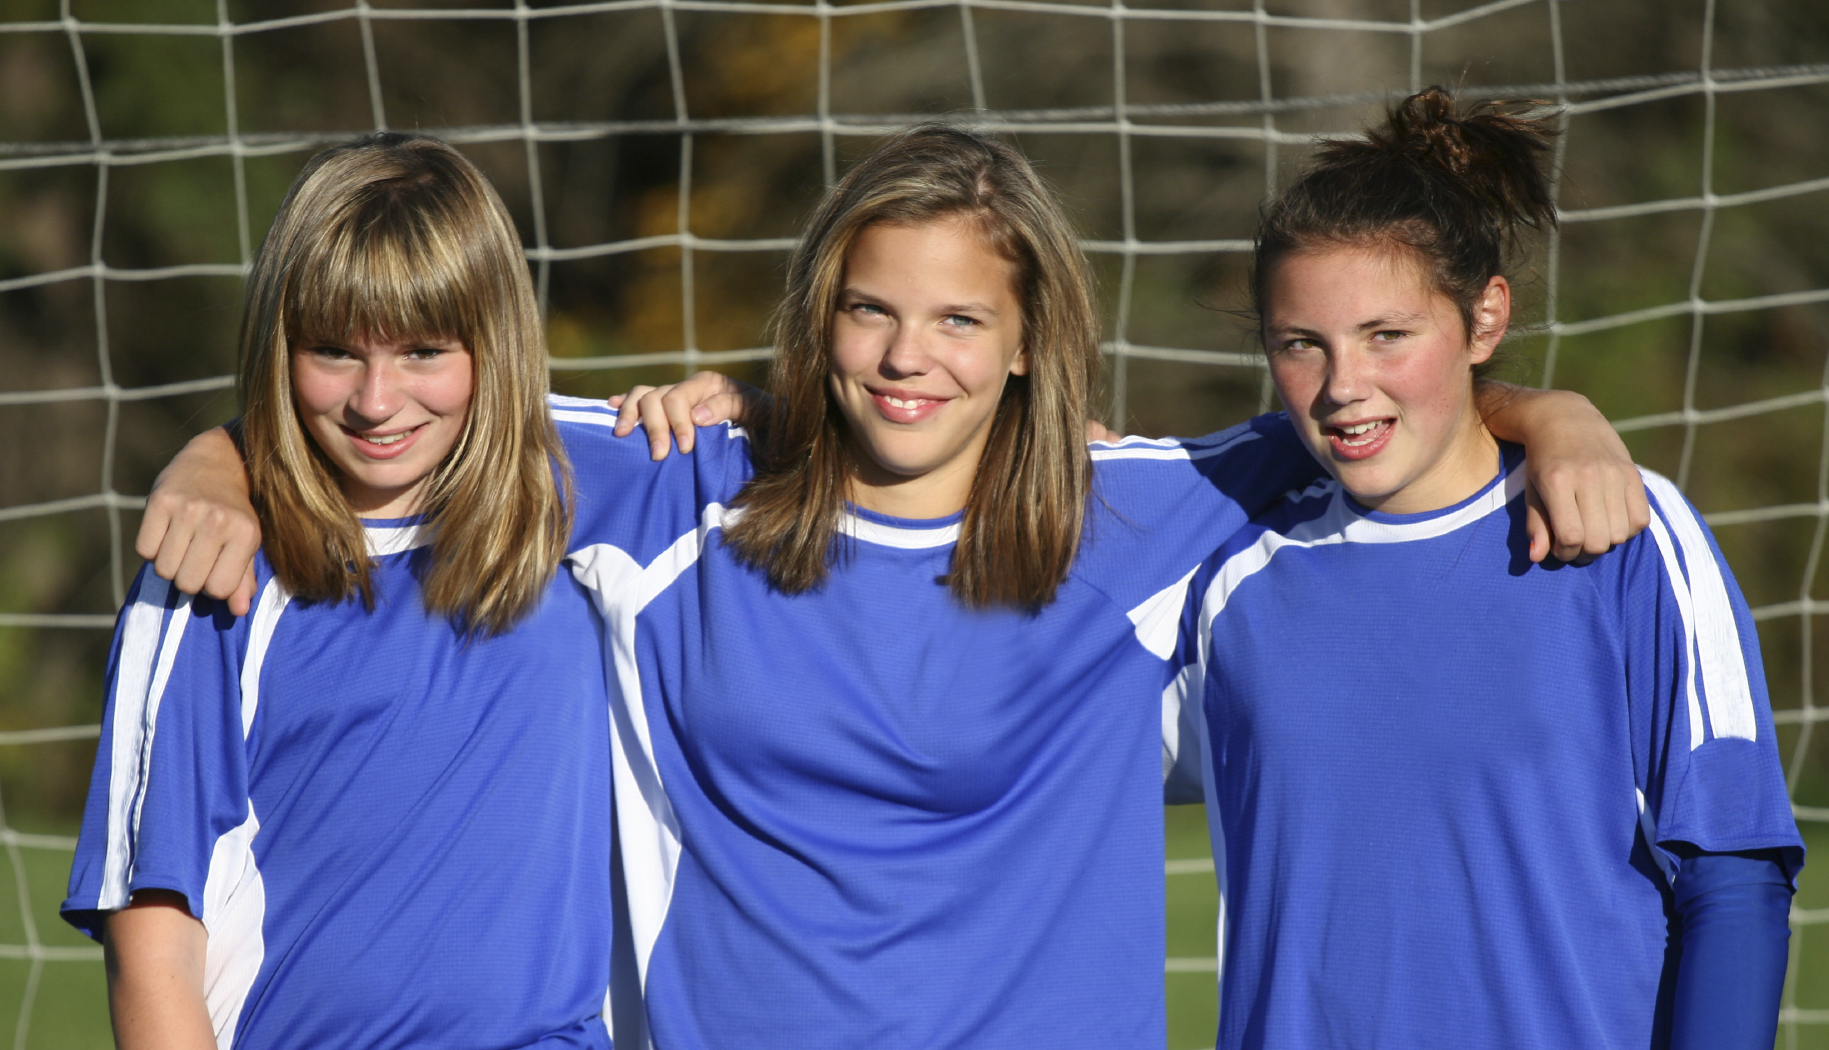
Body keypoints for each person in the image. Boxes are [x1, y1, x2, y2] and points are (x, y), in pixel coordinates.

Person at [134, 124, 1645, 1049]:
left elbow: (1371, 411)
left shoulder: (1142, 515)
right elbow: (398, 411)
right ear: (819, 318)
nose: (907, 356)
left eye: (956, 319)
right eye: (869, 310)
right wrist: (211, 465)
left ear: (1031, 337)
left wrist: (1552, 414)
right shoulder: (679, 491)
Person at [1172, 89, 1803, 1050]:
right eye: (1301, 343)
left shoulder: (1623, 529)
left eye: (1387, 335)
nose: (1343, 386)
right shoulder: (1215, 562)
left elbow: (1732, 870)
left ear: (1483, 319)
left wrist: (1547, 415)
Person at [61, 134, 615, 1050]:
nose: (375, 399)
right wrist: (222, 456)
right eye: (333, 352)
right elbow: (149, 940)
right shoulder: (211, 574)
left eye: (425, 351)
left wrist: (738, 403)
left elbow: (824, 454)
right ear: (280, 345)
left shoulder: (594, 488)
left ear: (494, 342)